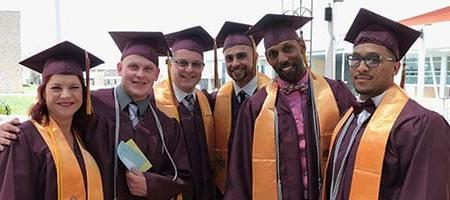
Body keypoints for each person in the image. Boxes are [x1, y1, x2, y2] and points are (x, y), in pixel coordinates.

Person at [0, 32, 191, 199]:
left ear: (157, 74)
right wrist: (5, 134)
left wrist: (151, 186)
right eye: (133, 67)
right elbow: (47, 126)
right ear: (119, 68)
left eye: (147, 69)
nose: (139, 75)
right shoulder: (90, 105)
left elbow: (181, 176)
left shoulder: (167, 126)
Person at [322, 8, 450, 200]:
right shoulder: (350, 117)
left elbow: (425, 192)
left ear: (396, 67)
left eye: (374, 59)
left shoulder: (422, 124)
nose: (361, 67)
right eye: (355, 58)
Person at [224, 14, 355, 200]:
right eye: (273, 54)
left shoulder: (336, 94)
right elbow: (240, 173)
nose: (282, 58)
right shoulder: (255, 107)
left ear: (302, 46)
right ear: (267, 59)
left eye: (288, 49)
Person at [0, 41, 104, 199]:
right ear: (43, 93)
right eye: (56, 88)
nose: (66, 95)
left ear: (84, 92)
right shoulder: (23, 137)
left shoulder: (82, 135)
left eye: (74, 87)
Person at [153, 26, 216, 200]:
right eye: (182, 63)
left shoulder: (205, 101)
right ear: (170, 64)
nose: (189, 69)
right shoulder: (153, 104)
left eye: (196, 64)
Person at [212, 21, 270, 194]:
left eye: (241, 56)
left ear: (255, 56)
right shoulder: (215, 100)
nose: (235, 63)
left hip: (264, 186)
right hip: (226, 188)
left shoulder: (273, 96)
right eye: (229, 58)